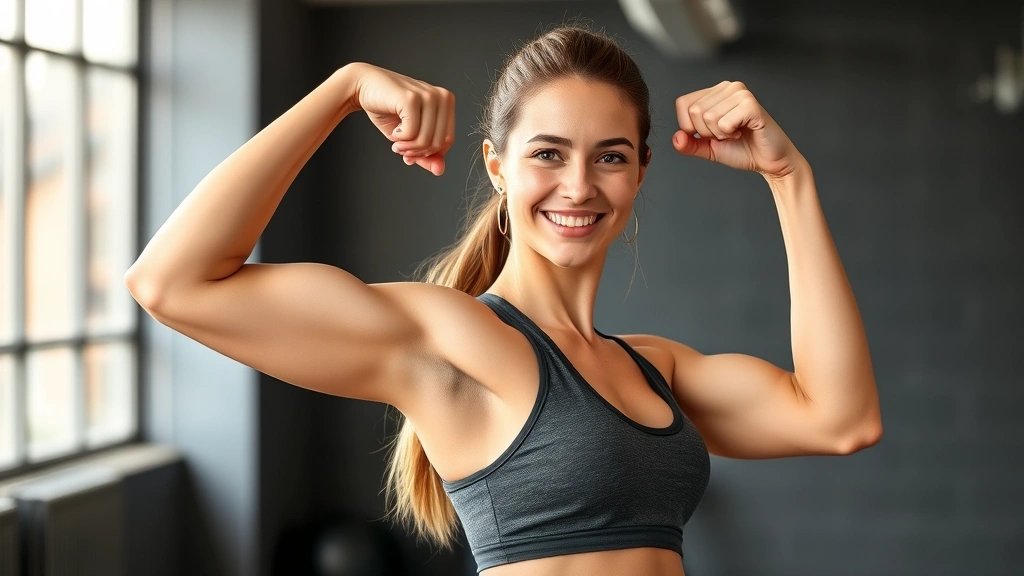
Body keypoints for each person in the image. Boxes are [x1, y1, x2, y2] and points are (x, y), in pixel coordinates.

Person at [125, 25, 882, 576]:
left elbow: (841, 417)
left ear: (640, 173)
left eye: (609, 158)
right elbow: (172, 283)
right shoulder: (451, 336)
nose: (579, 186)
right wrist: (343, 90)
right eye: (547, 153)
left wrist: (790, 180)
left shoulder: (658, 370)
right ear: (496, 166)